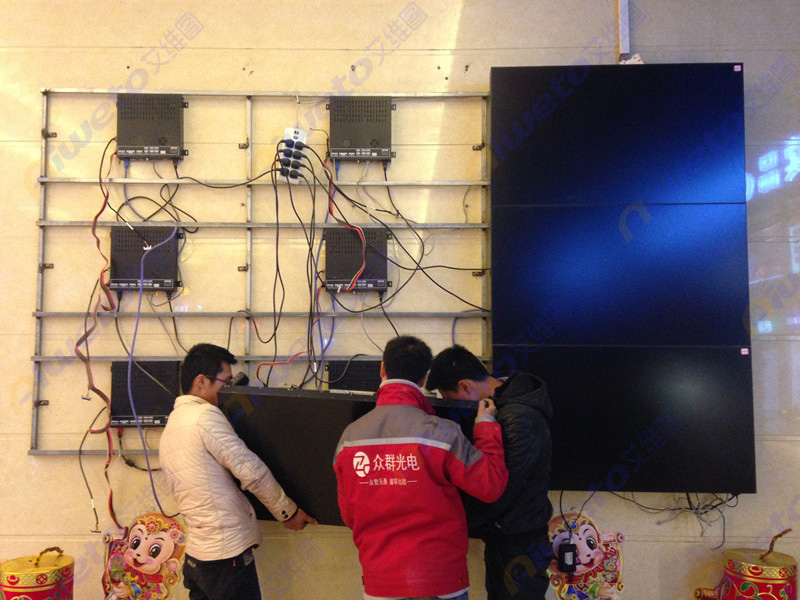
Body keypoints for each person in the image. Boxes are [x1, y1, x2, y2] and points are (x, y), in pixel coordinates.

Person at [334, 335, 509, 600]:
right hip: (442, 582)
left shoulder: (349, 439)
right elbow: (491, 485)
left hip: (381, 583)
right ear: (425, 378)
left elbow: (349, 516)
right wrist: (485, 425)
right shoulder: (443, 433)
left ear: (382, 368)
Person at [160, 343, 317, 600]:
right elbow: (251, 472)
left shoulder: (173, 424)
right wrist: (287, 512)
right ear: (201, 381)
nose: (230, 390)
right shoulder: (205, 417)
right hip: (225, 558)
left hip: (198, 558)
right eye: (226, 382)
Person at [425, 345, 554, 600]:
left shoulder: (517, 417)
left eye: (452, 398)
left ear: (465, 386)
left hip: (519, 543)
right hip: (508, 536)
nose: (456, 408)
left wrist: (451, 518)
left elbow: (499, 491)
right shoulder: (504, 403)